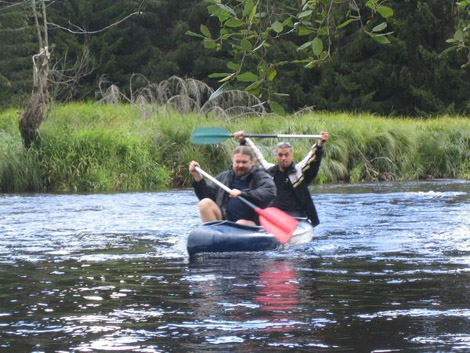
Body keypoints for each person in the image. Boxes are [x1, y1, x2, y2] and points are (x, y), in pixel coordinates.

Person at [233, 131, 329, 227]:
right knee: (243, 222)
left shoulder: (299, 171)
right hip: (272, 215)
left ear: (292, 156)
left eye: (286, 155)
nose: (283, 158)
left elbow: (311, 160)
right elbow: (257, 157)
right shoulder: (270, 171)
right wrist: (244, 140)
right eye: (280, 155)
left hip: (295, 217)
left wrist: (319, 145)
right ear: (276, 156)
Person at [188, 146, 276, 226]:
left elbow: (270, 192)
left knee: (240, 223)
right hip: (225, 221)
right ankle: (215, 234)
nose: (240, 165)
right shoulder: (224, 177)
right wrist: (198, 178)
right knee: (205, 203)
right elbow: (207, 196)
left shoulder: (261, 176)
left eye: (244, 162)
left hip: (251, 222)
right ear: (232, 161)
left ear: (251, 162)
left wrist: (243, 193)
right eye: (237, 162)